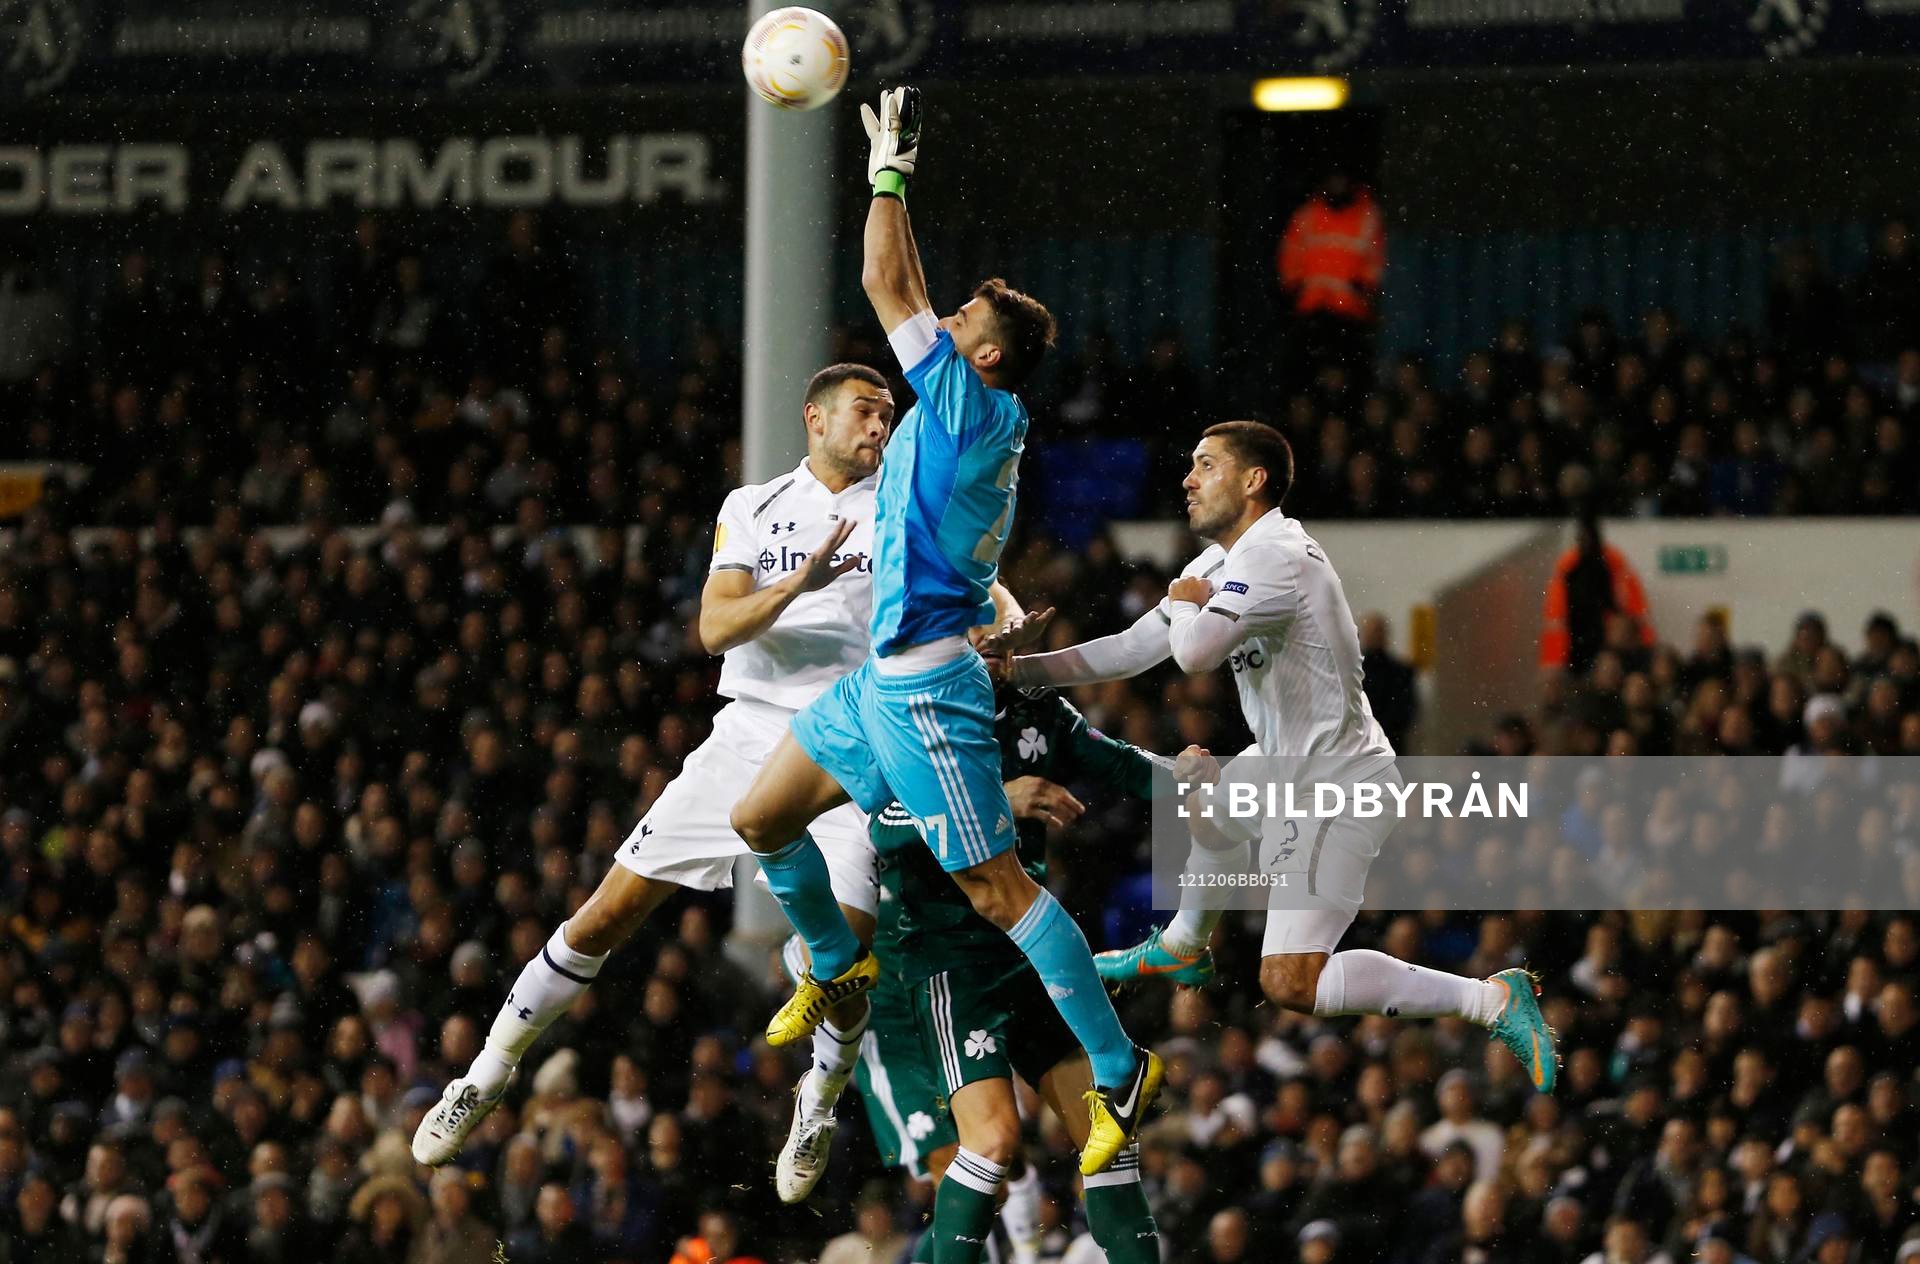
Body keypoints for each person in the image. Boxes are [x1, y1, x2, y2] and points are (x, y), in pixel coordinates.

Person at [731, 84, 1157, 1179]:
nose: (951, 315)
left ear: (985, 359)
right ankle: (839, 963)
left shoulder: (969, 406)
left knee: (996, 892)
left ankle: (1119, 1065)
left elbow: (886, 278)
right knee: (761, 815)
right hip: (882, 680)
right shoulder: (970, 410)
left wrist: (891, 169)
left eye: (968, 317)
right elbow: (908, 291)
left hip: (926, 695)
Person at [412, 363, 898, 1176]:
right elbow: (714, 627)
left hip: (850, 740)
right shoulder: (754, 507)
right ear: (814, 417)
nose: (879, 426)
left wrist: (1009, 619)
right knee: (606, 914)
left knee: (839, 960)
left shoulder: (902, 509)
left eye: (888, 415)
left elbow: (974, 593)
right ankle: (484, 1076)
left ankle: (817, 1101)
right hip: (749, 734)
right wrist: (798, 586)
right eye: (864, 411)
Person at [998, 420, 1558, 1093]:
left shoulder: (1276, 558)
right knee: (1204, 804)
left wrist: (1186, 608)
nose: (1187, 479)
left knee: (1291, 981)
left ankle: (1491, 999)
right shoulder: (1220, 564)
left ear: (1254, 480)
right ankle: (1183, 946)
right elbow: (1133, 646)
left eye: (1206, 465)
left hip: (1339, 784)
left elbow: (1193, 654)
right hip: (1288, 762)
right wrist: (1018, 673)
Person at [841, 662, 1175, 1263]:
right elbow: (884, 826)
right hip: (950, 963)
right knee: (992, 1143)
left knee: (1108, 1136)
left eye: (1012, 630)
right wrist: (997, 800)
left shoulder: (1039, 712)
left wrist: (1202, 779)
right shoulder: (905, 712)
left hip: (1029, 951)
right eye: (980, 632)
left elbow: (1125, 765)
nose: (998, 648)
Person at [1277, 171, 1385, 385]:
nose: (1337, 184)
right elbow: (1290, 251)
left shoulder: (1367, 215)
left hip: (1350, 312)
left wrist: (1365, 286)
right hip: (1312, 308)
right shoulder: (1307, 214)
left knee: (1349, 376)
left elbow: (1376, 257)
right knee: (1305, 374)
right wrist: (1293, 285)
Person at [1539, 512, 1653, 675]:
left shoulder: (1607, 565)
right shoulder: (1570, 568)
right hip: (1578, 647)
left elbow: (1632, 611)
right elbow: (1556, 618)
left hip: (1601, 645)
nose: (1585, 543)